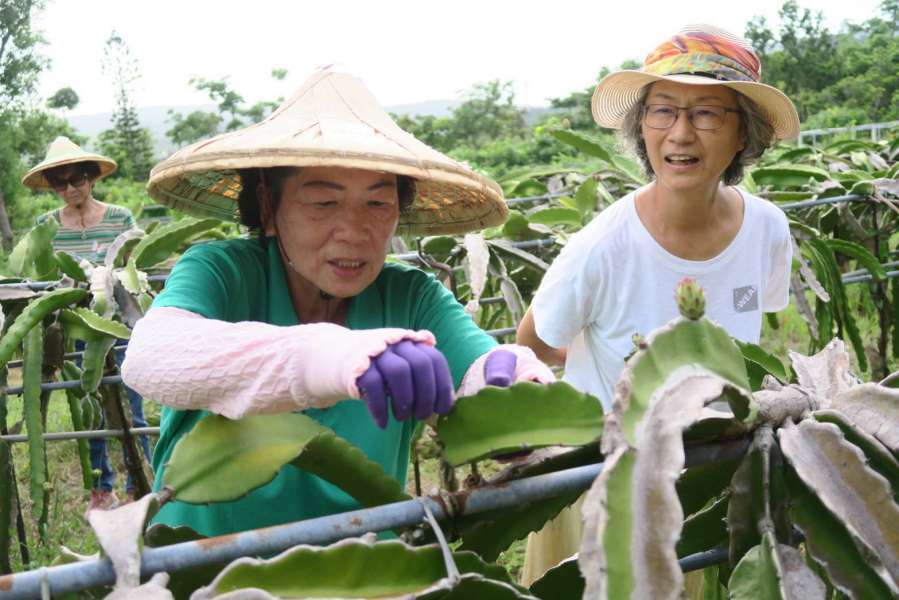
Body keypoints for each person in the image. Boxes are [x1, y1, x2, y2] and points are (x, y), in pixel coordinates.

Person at [120, 68, 555, 537]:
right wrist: (332, 356)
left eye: (378, 204)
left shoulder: (410, 296)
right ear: (268, 207)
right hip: (203, 569)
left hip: (366, 575)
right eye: (323, 204)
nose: (354, 231)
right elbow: (153, 355)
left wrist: (513, 390)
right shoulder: (222, 271)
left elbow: (476, 370)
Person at [515, 24, 798, 585]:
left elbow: (750, 330)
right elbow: (534, 346)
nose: (680, 134)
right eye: (663, 111)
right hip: (607, 479)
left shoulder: (767, 228)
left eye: (708, 114)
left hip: (706, 478)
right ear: (641, 127)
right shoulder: (601, 247)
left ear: (745, 135)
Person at [21, 136, 153, 514]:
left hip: (121, 324)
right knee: (89, 406)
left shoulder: (119, 218)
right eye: (59, 183)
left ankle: (139, 484)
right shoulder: (46, 226)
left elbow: (132, 270)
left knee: (133, 405)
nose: (68, 189)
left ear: (91, 178)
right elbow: (43, 275)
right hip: (76, 325)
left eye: (75, 179)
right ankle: (101, 489)